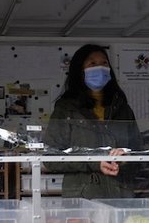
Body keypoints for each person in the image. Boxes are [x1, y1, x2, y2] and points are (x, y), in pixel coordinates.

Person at [43, 44, 142, 198]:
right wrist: (94, 162)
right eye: (92, 64)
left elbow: (140, 152)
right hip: (83, 197)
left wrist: (126, 158)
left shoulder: (122, 108)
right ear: (80, 70)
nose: (100, 68)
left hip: (121, 194)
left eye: (104, 63)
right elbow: (50, 157)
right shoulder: (66, 109)